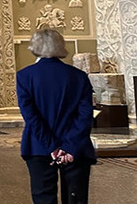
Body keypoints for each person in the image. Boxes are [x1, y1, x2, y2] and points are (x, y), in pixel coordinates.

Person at [17, 29, 95, 204]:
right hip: (76, 146)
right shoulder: (79, 76)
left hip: (38, 146)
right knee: (76, 199)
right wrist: (70, 146)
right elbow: (85, 116)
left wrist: (51, 146)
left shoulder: (25, 76)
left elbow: (30, 116)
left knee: (44, 198)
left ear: (34, 47)